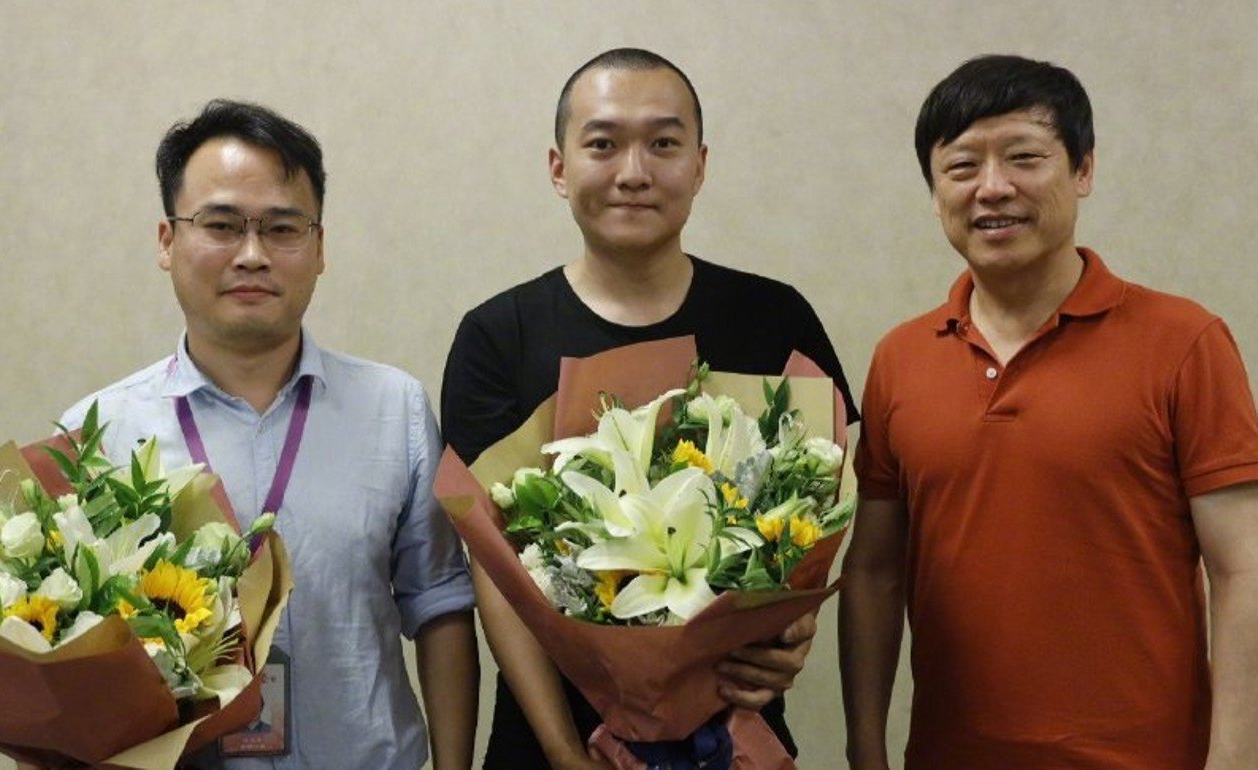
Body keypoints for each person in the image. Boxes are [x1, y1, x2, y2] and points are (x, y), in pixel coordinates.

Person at [441, 48, 859, 769]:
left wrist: (790, 635)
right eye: (602, 143)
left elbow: (822, 514)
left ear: (699, 165)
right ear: (558, 166)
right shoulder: (498, 336)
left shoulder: (774, 319)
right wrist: (564, 752)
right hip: (549, 745)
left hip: (738, 740)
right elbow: (495, 574)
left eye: (663, 144)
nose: (633, 171)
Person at [839, 54, 1258, 770]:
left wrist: (1235, 757)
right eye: (962, 166)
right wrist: (866, 748)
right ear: (934, 190)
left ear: (1083, 170)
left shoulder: (1185, 341)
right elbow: (875, 572)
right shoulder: (900, 358)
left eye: (1024, 157)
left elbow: (1243, 568)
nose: (993, 188)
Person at [59, 100, 478, 770]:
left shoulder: (393, 408)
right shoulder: (96, 434)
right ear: (167, 241)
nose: (252, 255)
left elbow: (440, 604)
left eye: (283, 228)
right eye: (221, 225)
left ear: (319, 247)